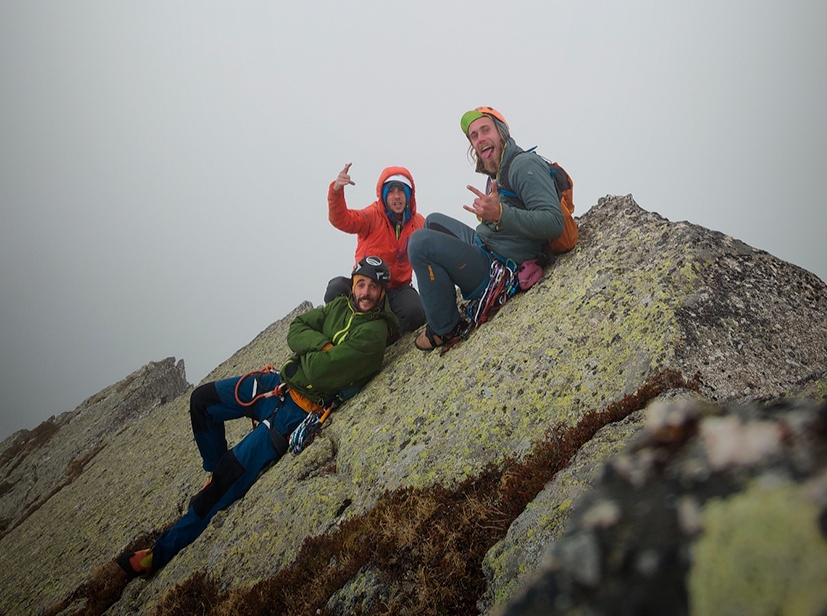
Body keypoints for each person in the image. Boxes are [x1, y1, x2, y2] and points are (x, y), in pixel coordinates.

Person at [117, 256, 398, 579]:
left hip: (296, 413)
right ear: (352, 284)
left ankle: (158, 554)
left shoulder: (374, 335)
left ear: (381, 293)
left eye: (373, 287)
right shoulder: (338, 307)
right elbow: (296, 328)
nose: (365, 292)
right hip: (276, 386)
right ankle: (213, 468)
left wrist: (297, 364)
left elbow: (323, 371)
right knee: (202, 401)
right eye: (361, 284)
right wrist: (320, 344)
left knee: (227, 478)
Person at [407, 107, 564, 351]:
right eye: (473, 136)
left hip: (500, 266)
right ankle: (444, 307)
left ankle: (445, 329)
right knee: (433, 222)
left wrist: (500, 214)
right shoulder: (499, 172)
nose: (480, 139)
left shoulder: (523, 165)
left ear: (502, 133)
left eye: (485, 130)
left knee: (420, 243)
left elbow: (554, 223)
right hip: (488, 246)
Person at [325, 163, 426, 339]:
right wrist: (336, 191)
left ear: (409, 195)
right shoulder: (372, 216)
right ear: (384, 195)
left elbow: (433, 245)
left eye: (401, 191)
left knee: (415, 313)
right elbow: (341, 220)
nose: (397, 197)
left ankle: (384, 336)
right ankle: (342, 330)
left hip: (397, 288)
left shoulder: (418, 223)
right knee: (336, 289)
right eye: (391, 191)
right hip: (367, 284)